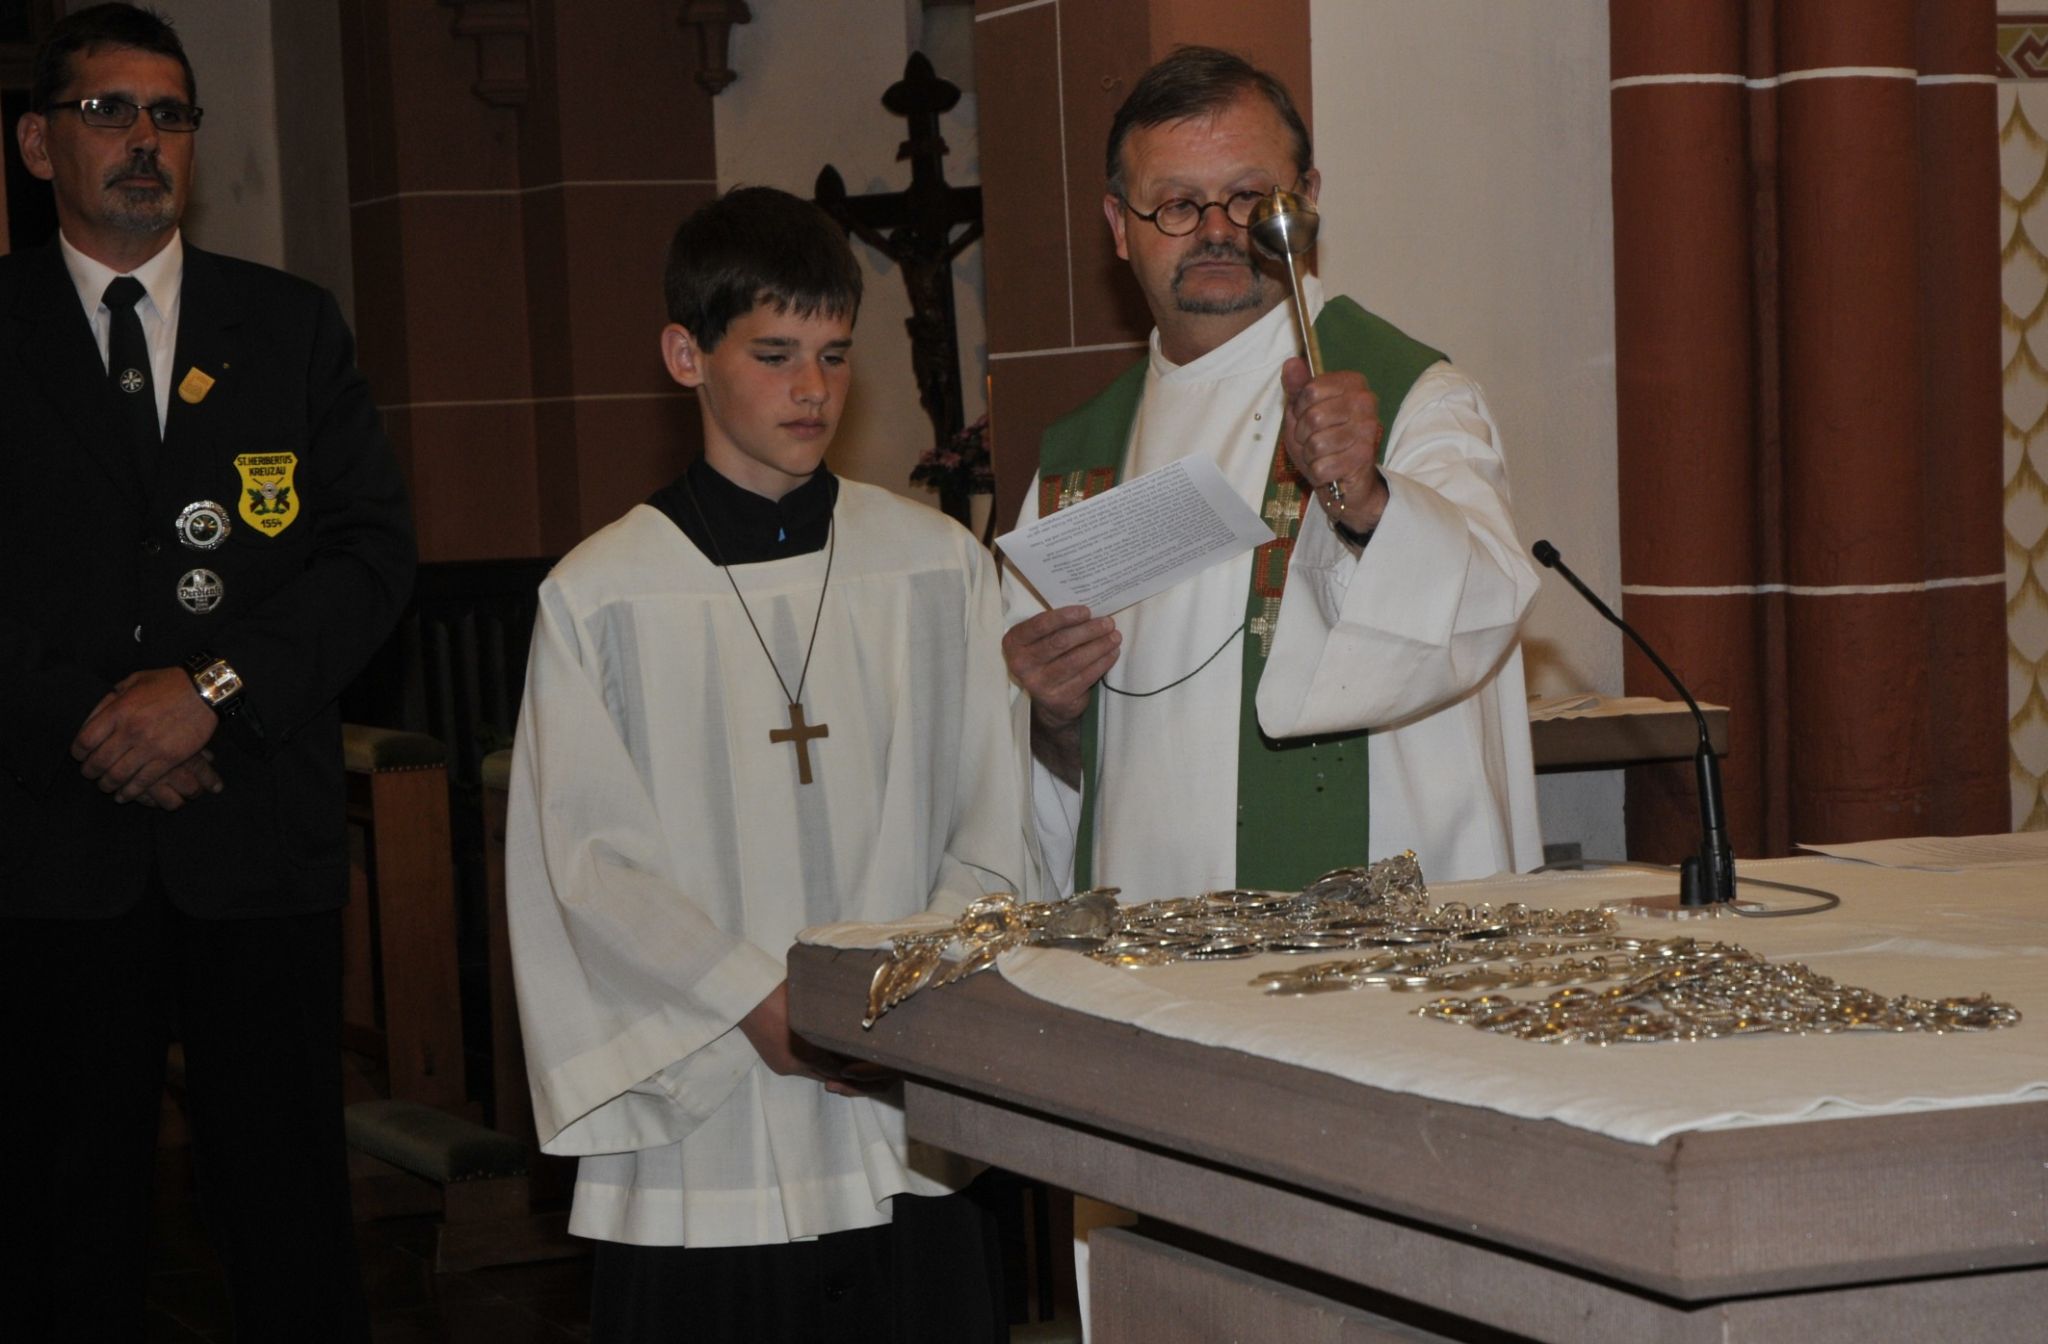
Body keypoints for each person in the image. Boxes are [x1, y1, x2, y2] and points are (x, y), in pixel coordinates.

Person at [505, 185, 1031, 1343]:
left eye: (834, 355)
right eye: (775, 353)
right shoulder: (602, 596)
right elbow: (585, 861)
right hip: (710, 1110)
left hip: (900, 1094)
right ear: (685, 355)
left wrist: (897, 998)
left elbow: (994, 817)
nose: (811, 390)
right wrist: (761, 1003)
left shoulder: (935, 567)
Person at [0, 5, 416, 1340]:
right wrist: (92, 719)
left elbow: (369, 552)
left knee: (288, 1215)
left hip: (254, 836)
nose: (144, 139)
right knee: (63, 1222)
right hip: (50, 848)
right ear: (37, 143)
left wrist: (210, 694)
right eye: (108, 111)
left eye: (168, 114)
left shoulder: (288, 327)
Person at [1003, 46, 1542, 903]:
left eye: (1251, 197)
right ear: (1119, 226)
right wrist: (1050, 716)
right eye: (1177, 204)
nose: (1218, 230)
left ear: (1309, 200)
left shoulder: (1410, 400)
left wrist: (1370, 500)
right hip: (1152, 941)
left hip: (1373, 938)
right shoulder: (1076, 465)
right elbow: (1059, 781)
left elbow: (1484, 606)